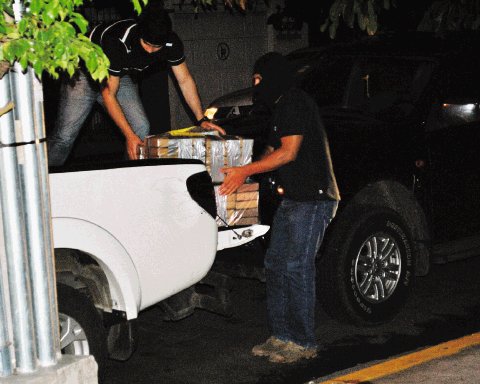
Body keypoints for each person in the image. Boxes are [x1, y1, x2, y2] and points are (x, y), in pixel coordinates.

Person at [219, 52, 340, 364]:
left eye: (259, 81)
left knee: (297, 266)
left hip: (314, 198)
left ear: (272, 77)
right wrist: (239, 165)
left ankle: (303, 341)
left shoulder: (295, 103)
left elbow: (288, 153)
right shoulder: (280, 107)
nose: (256, 87)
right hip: (294, 199)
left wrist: (245, 172)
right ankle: (281, 335)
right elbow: (272, 149)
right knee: (275, 263)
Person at [47, 1, 223, 166]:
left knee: (141, 127)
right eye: (147, 44)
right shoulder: (117, 42)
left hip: (118, 75)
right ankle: (45, 177)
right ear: (140, 34)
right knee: (64, 136)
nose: (150, 51)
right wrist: (128, 136)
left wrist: (201, 119)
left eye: (156, 47)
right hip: (84, 75)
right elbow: (108, 94)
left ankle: (129, 174)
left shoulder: (171, 43)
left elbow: (184, 80)